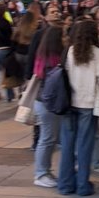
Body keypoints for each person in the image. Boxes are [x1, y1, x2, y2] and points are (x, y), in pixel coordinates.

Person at [57, 18, 99, 197]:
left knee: (67, 145)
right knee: (84, 146)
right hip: (88, 104)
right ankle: (83, 185)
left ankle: (65, 184)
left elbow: (64, 75)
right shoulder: (97, 53)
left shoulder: (70, 51)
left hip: (69, 103)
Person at [32, 25, 67, 187]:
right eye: (63, 35)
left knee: (49, 138)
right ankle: (41, 173)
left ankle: (44, 171)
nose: (66, 38)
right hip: (48, 103)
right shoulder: (53, 60)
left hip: (44, 101)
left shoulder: (44, 55)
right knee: (47, 139)